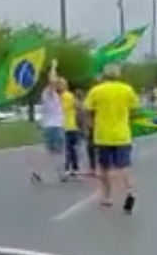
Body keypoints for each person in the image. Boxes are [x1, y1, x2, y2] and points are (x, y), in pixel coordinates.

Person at [83, 63, 140, 212]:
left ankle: (108, 197)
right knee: (124, 166)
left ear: (104, 75)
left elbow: (87, 110)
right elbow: (135, 109)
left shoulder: (96, 90)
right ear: (118, 74)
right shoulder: (127, 90)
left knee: (104, 168)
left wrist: (90, 125)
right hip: (122, 134)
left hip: (102, 135)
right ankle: (130, 191)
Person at [32, 59, 67, 184]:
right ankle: (61, 173)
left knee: (49, 151)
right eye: (61, 83)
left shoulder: (53, 95)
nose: (62, 85)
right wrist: (53, 67)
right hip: (54, 127)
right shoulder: (49, 93)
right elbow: (52, 80)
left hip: (50, 126)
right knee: (59, 151)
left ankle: (38, 173)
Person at [60, 76, 82, 179]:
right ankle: (69, 169)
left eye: (63, 84)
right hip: (65, 126)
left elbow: (78, 106)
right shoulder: (60, 97)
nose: (61, 86)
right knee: (69, 149)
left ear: (66, 85)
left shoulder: (68, 96)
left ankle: (74, 169)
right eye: (59, 84)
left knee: (72, 149)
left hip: (71, 126)